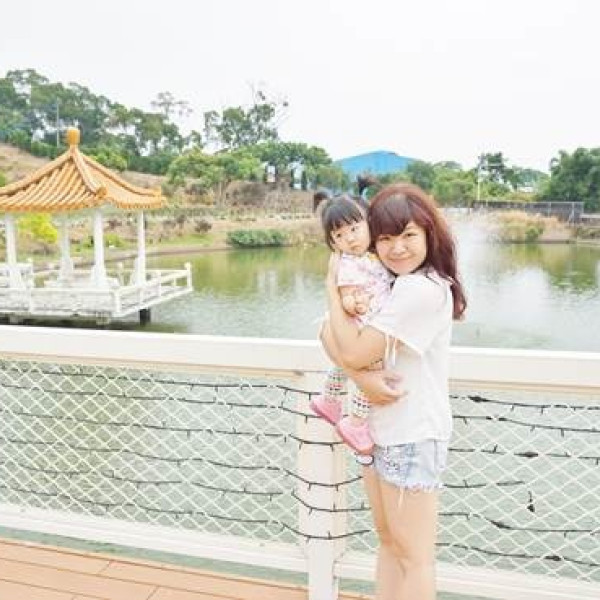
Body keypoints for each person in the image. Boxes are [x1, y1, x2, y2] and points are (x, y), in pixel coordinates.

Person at [320, 182, 466, 600]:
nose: (396, 248)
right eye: (385, 238)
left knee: (414, 557)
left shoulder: (422, 288)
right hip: (380, 430)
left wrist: (331, 289)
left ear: (429, 233)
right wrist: (362, 377)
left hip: (411, 434)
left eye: (408, 235)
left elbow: (348, 347)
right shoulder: (388, 282)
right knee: (388, 542)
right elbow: (326, 333)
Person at [310, 193, 395, 455]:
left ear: (369, 223)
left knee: (343, 365)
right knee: (371, 369)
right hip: (362, 321)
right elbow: (346, 292)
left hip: (364, 319)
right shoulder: (347, 263)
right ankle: (356, 422)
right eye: (339, 235)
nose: (349, 238)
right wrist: (352, 303)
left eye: (354, 229)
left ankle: (329, 399)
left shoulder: (371, 255)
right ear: (333, 242)